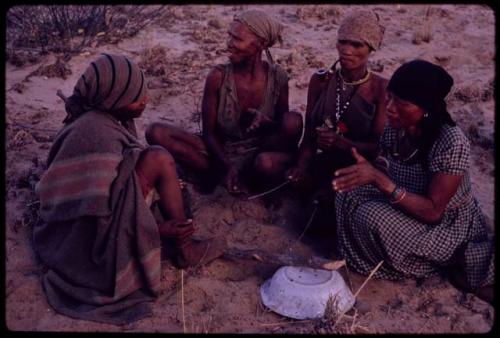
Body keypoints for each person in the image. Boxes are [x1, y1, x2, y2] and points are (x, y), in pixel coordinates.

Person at [33, 54, 225, 325]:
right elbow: (94, 222)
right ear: (114, 99)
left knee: (155, 160)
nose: (145, 100)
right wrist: (155, 231)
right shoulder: (95, 133)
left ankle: (181, 240)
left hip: (105, 216)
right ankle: (184, 248)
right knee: (158, 158)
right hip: (88, 245)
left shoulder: (106, 118)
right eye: (137, 96)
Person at [332, 59, 494, 304]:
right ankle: (396, 257)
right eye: (389, 98)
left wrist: (379, 180)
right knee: (348, 194)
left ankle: (433, 265)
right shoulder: (397, 127)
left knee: (372, 216)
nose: (390, 108)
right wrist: (369, 169)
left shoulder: (451, 143)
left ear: (426, 108)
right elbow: (386, 161)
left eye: (402, 103)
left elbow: (433, 212)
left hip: (446, 226)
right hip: (408, 203)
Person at [145, 10, 303, 194]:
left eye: (237, 39)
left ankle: (250, 179)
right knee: (156, 132)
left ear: (261, 43)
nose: (229, 44)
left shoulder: (277, 78)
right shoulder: (218, 77)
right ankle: (226, 176)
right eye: (229, 36)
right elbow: (209, 133)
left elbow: (284, 133)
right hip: (221, 153)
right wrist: (227, 166)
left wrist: (265, 123)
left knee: (293, 121)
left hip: (260, 153)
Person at [286, 9, 387, 233]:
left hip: (358, 169)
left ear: (371, 48)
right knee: (280, 173)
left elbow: (378, 147)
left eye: (357, 45)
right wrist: (301, 166)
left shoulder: (381, 89)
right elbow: (310, 135)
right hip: (323, 163)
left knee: (328, 215)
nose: (347, 50)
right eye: (343, 42)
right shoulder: (322, 80)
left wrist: (341, 143)